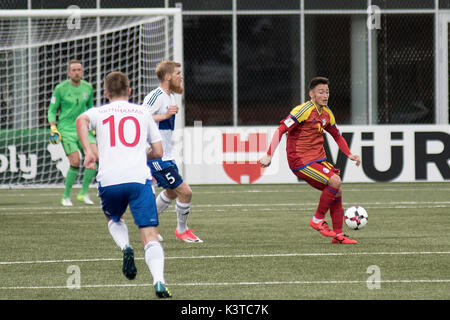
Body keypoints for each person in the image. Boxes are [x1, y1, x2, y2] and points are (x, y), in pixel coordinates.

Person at [75, 71, 172, 298]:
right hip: (139, 179)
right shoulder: (142, 112)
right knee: (149, 234)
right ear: (130, 92)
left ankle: (125, 247)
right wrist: (140, 154)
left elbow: (81, 120)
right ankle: (159, 281)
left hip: (109, 180)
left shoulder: (99, 112)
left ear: (106, 93)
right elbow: (158, 151)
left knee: (115, 218)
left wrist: (89, 151)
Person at [259, 77, 361, 244]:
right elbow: (281, 129)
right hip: (300, 160)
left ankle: (338, 236)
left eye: (327, 92)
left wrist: (349, 154)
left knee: (337, 190)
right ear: (311, 94)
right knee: (335, 181)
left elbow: (336, 135)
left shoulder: (327, 113)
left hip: (317, 160)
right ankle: (317, 219)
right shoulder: (303, 110)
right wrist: (269, 154)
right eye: (321, 92)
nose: (325, 95)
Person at [142, 60, 202, 243]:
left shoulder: (171, 96)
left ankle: (147, 225)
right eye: (177, 73)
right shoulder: (156, 96)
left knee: (171, 192)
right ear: (167, 76)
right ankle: (181, 231)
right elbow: (140, 119)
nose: (181, 76)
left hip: (167, 154)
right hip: (156, 155)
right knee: (186, 192)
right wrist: (165, 115)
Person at [48, 59, 97, 206]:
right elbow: (51, 110)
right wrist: (53, 127)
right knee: (75, 161)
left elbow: (90, 109)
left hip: (83, 128)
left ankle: (83, 193)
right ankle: (66, 196)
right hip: (66, 129)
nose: (77, 72)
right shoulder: (60, 88)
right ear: (69, 73)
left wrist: (92, 127)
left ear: (82, 72)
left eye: (79, 69)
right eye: (74, 70)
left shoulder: (88, 87)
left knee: (94, 157)